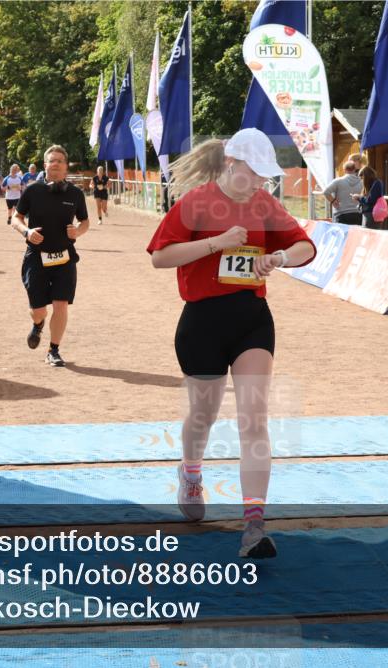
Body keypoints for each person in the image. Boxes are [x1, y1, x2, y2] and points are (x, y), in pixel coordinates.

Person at [146, 129, 316, 559]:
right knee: (202, 416)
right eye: (255, 173)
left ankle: (254, 526)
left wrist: (278, 258)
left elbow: (304, 246)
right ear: (232, 164)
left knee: (254, 419)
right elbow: (160, 256)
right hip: (202, 323)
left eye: (265, 175)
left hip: (251, 321)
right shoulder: (196, 202)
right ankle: (190, 471)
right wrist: (214, 243)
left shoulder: (264, 203)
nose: (261, 182)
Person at [10, 146, 89, 367]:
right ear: (45, 165)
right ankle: (38, 324)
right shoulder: (33, 191)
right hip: (36, 258)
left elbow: (85, 222)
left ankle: (53, 350)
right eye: (51, 161)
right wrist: (27, 232)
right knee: (38, 310)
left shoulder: (75, 194)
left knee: (61, 304)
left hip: (64, 258)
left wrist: (78, 232)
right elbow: (16, 218)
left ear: (66, 167)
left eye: (60, 161)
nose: (55, 164)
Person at [323, 160, 363, 225]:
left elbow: (326, 192)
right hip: (357, 214)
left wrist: (333, 201)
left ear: (344, 169)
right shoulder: (362, 182)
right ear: (355, 169)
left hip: (341, 214)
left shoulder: (338, 181)